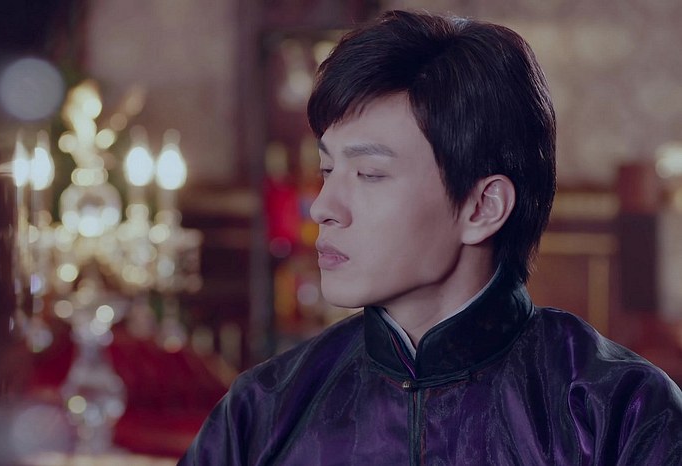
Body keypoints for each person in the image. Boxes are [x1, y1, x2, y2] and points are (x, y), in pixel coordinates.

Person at [180, 9, 682, 465]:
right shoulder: (261, 412)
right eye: (327, 170)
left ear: (483, 207)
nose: (324, 207)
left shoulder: (619, 413)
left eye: (369, 174)